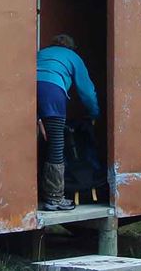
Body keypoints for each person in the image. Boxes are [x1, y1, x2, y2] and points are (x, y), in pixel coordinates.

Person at [37, 34, 100, 211]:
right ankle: (54, 198)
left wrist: (37, 118)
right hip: (52, 93)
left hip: (28, 91)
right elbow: (87, 92)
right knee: (56, 145)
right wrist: (94, 113)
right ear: (71, 47)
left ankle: (37, 192)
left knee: (37, 143)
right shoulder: (73, 57)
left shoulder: (41, 53)